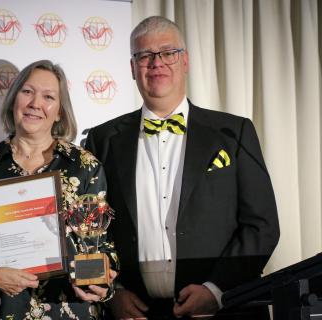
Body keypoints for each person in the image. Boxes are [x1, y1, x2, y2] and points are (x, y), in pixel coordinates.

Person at [85, 16, 280, 320]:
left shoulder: (233, 131)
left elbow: (262, 226)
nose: (156, 63)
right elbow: (87, 232)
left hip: (222, 309)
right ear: (133, 68)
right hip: (136, 313)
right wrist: (113, 292)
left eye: (168, 53)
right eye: (145, 55)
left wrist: (216, 290)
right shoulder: (102, 139)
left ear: (185, 60)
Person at [0, 60, 118, 319]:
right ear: (14, 100)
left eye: (48, 96)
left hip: (67, 311)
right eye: (27, 92)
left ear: (59, 111)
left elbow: (102, 245)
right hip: (2, 310)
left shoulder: (84, 166)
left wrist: (102, 283)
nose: (35, 103)